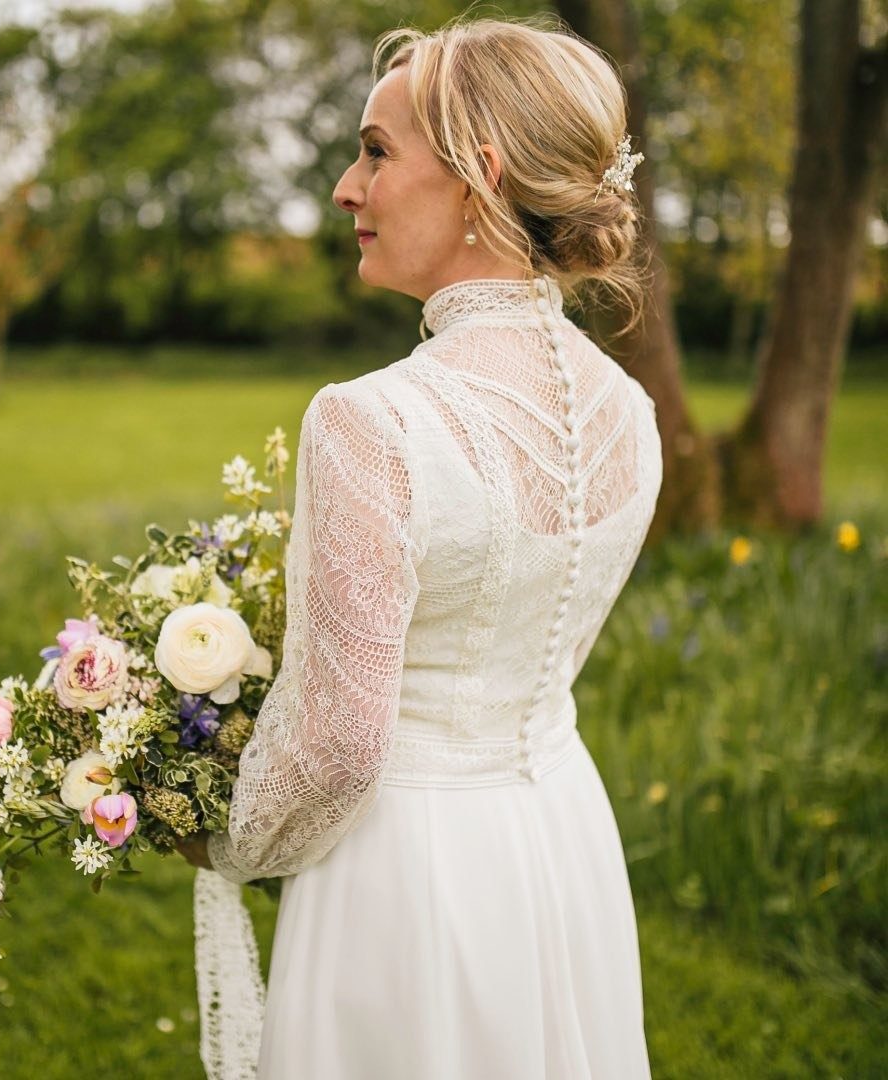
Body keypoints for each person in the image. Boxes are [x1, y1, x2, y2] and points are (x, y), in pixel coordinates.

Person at [176, 14, 662, 1078]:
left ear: (480, 176)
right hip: (563, 841)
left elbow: (342, 744)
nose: (347, 188)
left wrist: (223, 840)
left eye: (377, 150)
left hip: (407, 874)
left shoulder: (371, 423)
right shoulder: (630, 412)